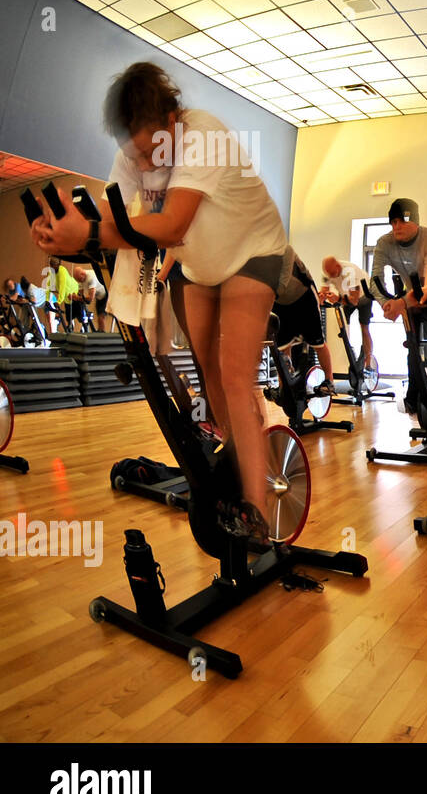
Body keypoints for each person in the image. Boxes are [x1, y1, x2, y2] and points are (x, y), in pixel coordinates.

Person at [30, 61, 293, 540]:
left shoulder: (202, 135)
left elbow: (171, 225)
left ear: (173, 121)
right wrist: (63, 231)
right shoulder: (133, 152)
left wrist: (90, 230)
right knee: (206, 368)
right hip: (199, 265)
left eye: (154, 151)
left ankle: (257, 514)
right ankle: (236, 466)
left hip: (255, 252)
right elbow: (111, 215)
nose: (147, 164)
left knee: (234, 377)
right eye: (137, 154)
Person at [370, 197, 427, 412]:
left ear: (416, 221)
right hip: (413, 297)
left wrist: (400, 304)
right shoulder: (385, 243)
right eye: (393, 223)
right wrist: (386, 304)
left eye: (402, 221)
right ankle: (414, 395)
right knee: (412, 344)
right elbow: (375, 279)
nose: (397, 227)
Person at [272, 252, 335, 393]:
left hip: (304, 297)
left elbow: (282, 283)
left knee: (317, 343)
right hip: (281, 302)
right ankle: (284, 388)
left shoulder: (285, 251)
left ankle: (329, 381)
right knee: (282, 347)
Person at [321, 255, 375, 367]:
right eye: (329, 274)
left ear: (337, 266)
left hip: (363, 296)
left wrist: (337, 299)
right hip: (345, 295)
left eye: (332, 273)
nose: (331, 276)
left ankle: (368, 362)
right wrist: (321, 297)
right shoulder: (327, 273)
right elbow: (323, 291)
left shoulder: (349, 272)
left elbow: (354, 301)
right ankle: (345, 360)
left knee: (364, 327)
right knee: (340, 326)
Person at [72, 265, 108, 332]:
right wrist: (76, 298)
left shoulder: (91, 278)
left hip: (105, 295)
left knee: (101, 316)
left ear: (83, 274)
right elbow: (80, 294)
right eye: (78, 280)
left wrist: (77, 298)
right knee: (99, 315)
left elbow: (90, 299)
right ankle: (100, 331)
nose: (80, 282)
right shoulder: (80, 279)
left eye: (80, 280)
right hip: (99, 296)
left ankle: (102, 332)